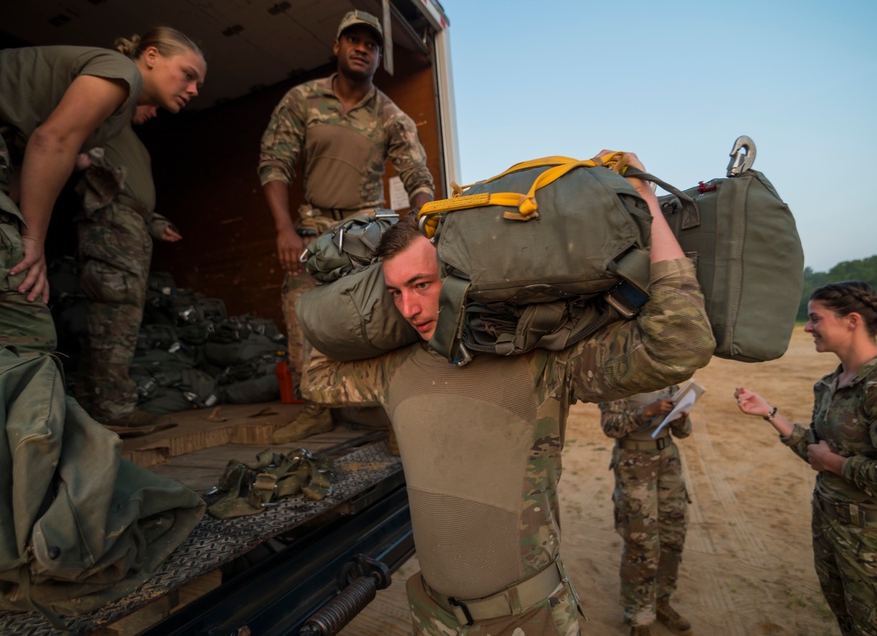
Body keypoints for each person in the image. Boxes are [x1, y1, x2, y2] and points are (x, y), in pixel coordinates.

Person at [301, 152, 715, 635]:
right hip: (434, 621)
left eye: (422, 284)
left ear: (460, 276)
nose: (410, 308)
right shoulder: (396, 369)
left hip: (530, 620)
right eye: (394, 293)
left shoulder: (545, 362)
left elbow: (679, 343)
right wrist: (342, 276)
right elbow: (317, 377)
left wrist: (645, 196)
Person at [0, 27, 206, 374]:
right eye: (188, 75)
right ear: (151, 57)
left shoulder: (114, 119)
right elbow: (50, 141)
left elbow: (23, 165)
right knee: (17, 316)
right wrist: (32, 240)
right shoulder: (122, 73)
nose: (193, 90)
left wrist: (10, 227)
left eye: (198, 85)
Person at [258, 9, 434, 439]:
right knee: (301, 313)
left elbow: (417, 176)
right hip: (312, 228)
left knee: (383, 317)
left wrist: (426, 221)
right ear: (337, 46)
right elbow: (274, 163)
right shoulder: (303, 100)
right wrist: (283, 228)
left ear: (378, 58)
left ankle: (397, 413)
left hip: (367, 232)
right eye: (354, 41)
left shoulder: (391, 115)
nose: (362, 49)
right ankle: (315, 407)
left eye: (371, 45)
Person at [734, 281, 877, 635]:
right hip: (833, 531)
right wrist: (770, 413)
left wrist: (836, 464)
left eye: (815, 318)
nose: (807, 327)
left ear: (851, 321)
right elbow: (818, 450)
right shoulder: (830, 384)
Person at [73, 105, 183, 427]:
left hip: (131, 230)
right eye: (150, 103)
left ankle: (92, 405)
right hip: (111, 230)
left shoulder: (130, 137)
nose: (154, 112)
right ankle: (114, 409)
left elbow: (134, 195)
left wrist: (155, 223)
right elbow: (78, 153)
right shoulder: (107, 117)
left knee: (118, 320)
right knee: (114, 320)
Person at [598, 386, 693, 636]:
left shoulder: (670, 377)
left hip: (668, 461)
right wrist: (646, 411)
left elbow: (684, 433)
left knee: (673, 536)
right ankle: (638, 617)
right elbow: (610, 426)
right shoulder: (622, 377)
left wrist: (682, 417)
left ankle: (661, 601)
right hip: (634, 463)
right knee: (641, 543)